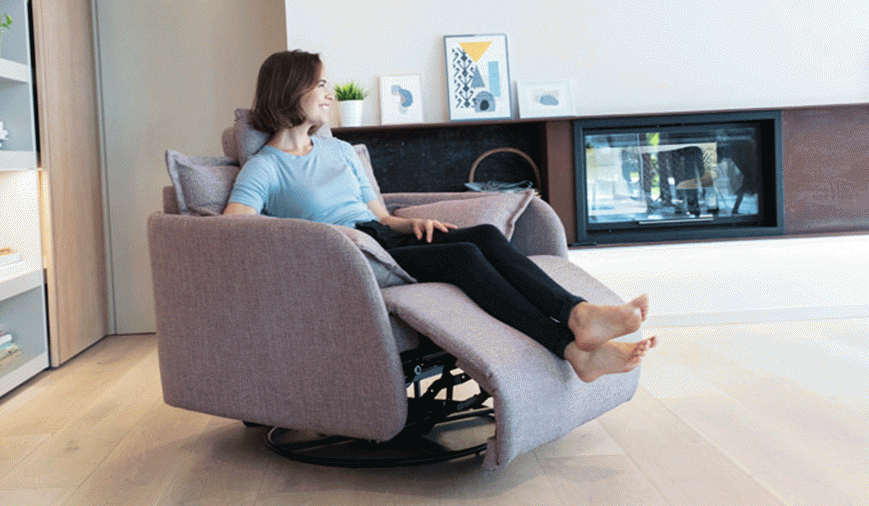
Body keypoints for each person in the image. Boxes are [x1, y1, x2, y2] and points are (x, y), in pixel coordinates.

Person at [224, 50, 656, 383]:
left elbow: (380, 216)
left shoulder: (339, 150)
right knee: (463, 257)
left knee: (484, 236)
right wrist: (317, 235)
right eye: (320, 84)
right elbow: (234, 228)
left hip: (382, 238)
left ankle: (578, 318)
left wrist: (412, 224)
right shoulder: (266, 167)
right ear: (291, 89)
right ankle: (572, 345)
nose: (329, 93)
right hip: (350, 256)